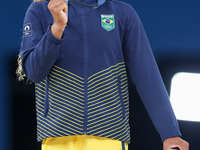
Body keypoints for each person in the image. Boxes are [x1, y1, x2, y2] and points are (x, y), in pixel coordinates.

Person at [16, 0, 189, 149]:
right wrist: (57, 28)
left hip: (108, 134)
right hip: (58, 135)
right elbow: (34, 72)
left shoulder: (122, 14)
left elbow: (147, 74)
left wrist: (170, 133)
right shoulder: (40, 10)